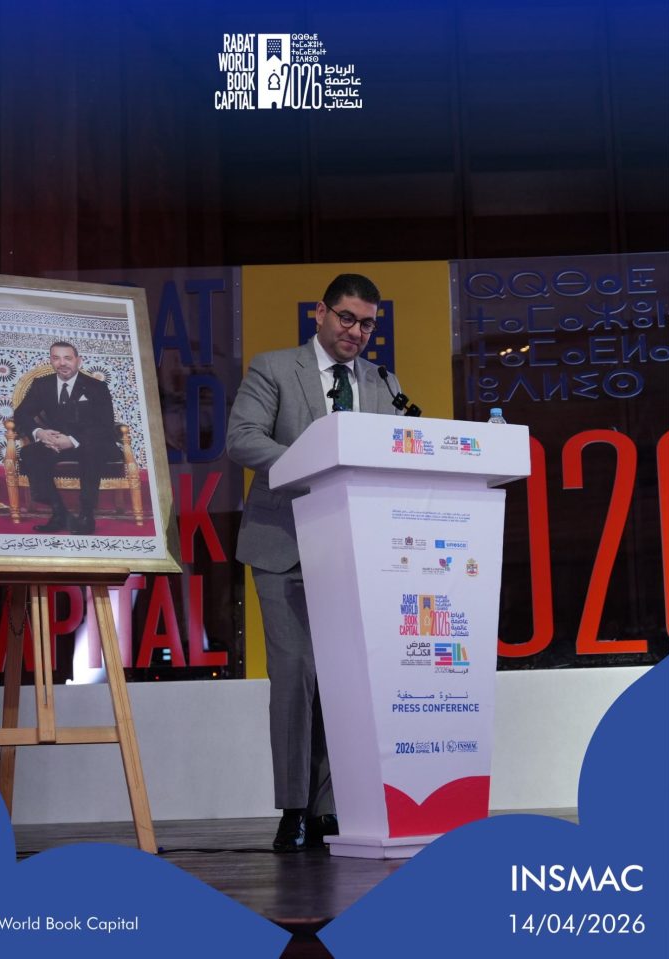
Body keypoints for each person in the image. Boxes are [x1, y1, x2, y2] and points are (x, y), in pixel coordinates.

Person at [226, 274, 405, 852]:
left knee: (341, 678)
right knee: (296, 671)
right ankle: (294, 807)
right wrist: (317, 462)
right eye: (347, 318)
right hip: (283, 545)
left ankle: (328, 808)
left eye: (368, 324)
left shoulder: (381, 381)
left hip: (353, 551)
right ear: (321, 314)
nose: (357, 331)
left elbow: (392, 449)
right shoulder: (275, 368)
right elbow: (242, 438)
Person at [14, 341, 117, 534]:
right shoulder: (42, 385)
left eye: (67, 358)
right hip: (56, 443)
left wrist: (72, 440)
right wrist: (40, 433)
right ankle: (59, 512)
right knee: (30, 453)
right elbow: (21, 414)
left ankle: (86, 515)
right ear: (51, 361)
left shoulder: (97, 387)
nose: (62, 363)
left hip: (90, 442)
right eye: (56, 358)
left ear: (79, 360)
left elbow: (104, 424)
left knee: (91, 450)